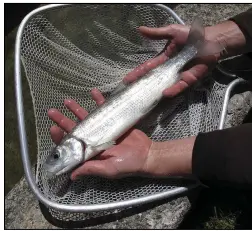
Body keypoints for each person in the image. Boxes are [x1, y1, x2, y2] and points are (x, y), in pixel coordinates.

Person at [48, 8, 252, 189]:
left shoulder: (85, 141)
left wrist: (153, 157)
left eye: (57, 155)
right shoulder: (86, 145)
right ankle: (200, 47)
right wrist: (221, 38)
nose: (57, 160)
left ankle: (194, 49)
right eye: (56, 156)